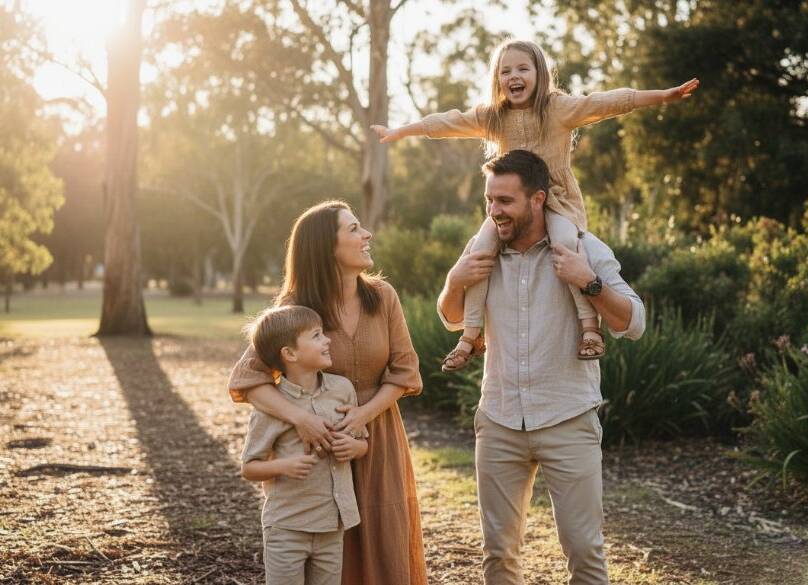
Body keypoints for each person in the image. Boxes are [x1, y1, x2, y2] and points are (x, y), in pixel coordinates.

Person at [373, 39, 696, 371]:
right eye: (505, 71)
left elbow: (607, 102)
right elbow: (447, 122)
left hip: (555, 200)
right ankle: (470, 336)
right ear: (497, 80)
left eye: (523, 69)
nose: (514, 76)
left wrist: (663, 96)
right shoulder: (493, 117)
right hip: (515, 205)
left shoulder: (557, 108)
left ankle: (589, 329)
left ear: (540, 74)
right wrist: (400, 131)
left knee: (567, 244)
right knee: (478, 252)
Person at [437, 150, 646, 585]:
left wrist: (588, 281)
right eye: (490, 201)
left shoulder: (584, 249)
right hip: (497, 420)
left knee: (584, 552)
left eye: (505, 201)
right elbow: (452, 317)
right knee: (497, 553)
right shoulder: (481, 251)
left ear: (537, 199)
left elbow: (634, 323)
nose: (495, 211)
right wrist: (455, 280)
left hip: (567, 418)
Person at [228, 201, 427, 585]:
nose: (366, 234)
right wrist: (302, 419)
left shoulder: (383, 296)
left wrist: (363, 415)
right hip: (316, 451)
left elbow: (405, 372)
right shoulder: (295, 309)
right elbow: (247, 380)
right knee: (332, 555)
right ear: (326, 247)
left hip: (376, 437)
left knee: (385, 538)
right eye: (353, 229)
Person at [241, 305, 369, 585]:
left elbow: (363, 444)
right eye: (316, 336)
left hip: (331, 526)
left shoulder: (342, 389)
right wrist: (283, 466)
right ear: (290, 354)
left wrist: (353, 447)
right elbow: (249, 468)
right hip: (287, 528)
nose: (327, 340)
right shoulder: (271, 407)